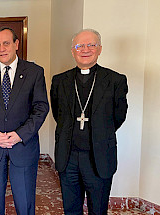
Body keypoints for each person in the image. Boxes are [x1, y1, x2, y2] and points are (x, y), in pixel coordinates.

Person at [0, 26, 49, 215]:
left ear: (16, 44)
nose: (2, 48)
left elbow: (41, 108)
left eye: (6, 43)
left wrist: (20, 135)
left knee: (25, 202)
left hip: (23, 147)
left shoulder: (34, 72)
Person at [50, 29, 128, 215]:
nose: (85, 49)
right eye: (79, 46)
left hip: (98, 157)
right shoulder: (60, 81)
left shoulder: (115, 80)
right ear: (72, 50)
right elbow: (58, 114)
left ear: (99, 49)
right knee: (70, 209)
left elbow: (118, 116)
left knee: (98, 210)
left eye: (91, 45)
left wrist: (100, 133)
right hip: (68, 157)